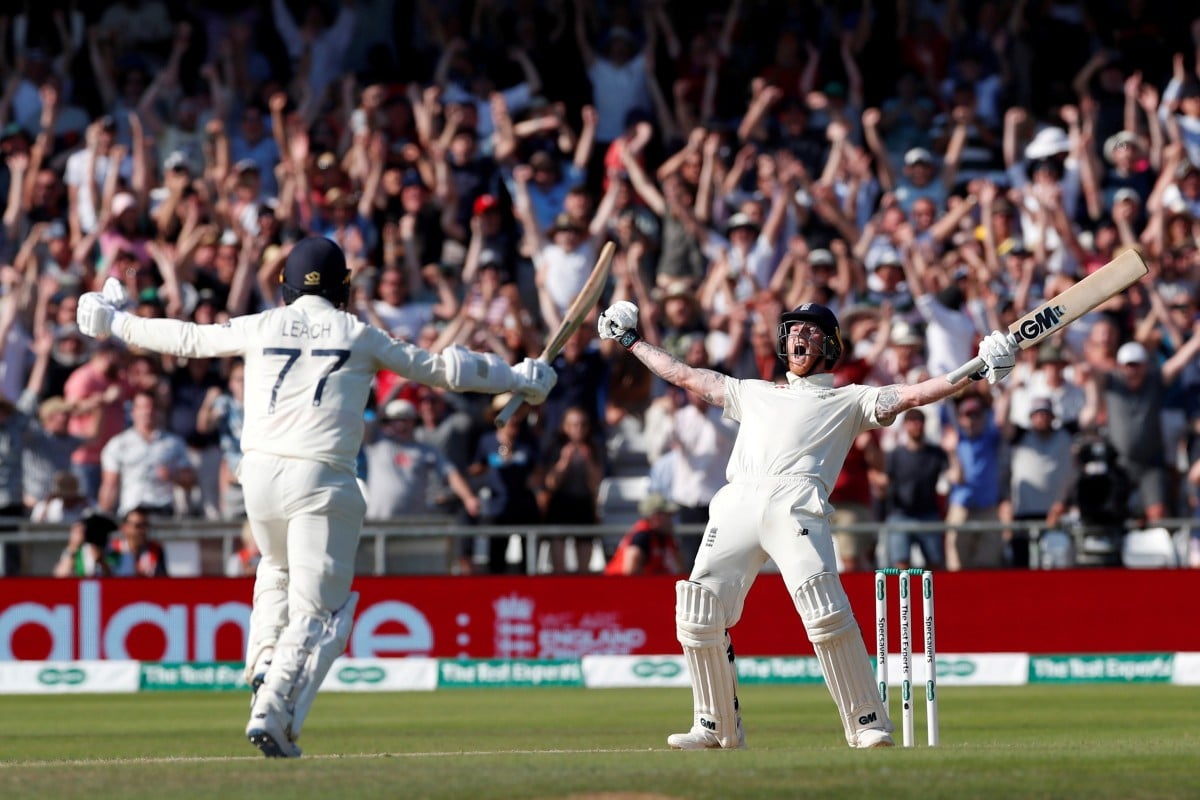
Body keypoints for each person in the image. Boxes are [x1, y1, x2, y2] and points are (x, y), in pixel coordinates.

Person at [74, 237, 556, 758]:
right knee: (321, 611)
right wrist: (520, 377)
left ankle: (262, 666)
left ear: (284, 287)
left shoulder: (262, 324)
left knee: (275, 568)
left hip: (258, 479)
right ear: (344, 287)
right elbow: (445, 369)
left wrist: (113, 321)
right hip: (321, 478)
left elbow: (188, 338)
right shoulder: (358, 333)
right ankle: (273, 705)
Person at [596, 298, 1017, 750]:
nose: (799, 336)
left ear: (831, 345)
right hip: (737, 499)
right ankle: (715, 725)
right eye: (794, 329)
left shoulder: (849, 399)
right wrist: (629, 339)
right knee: (697, 612)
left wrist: (977, 367)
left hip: (797, 503)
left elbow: (915, 393)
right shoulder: (752, 392)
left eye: (811, 331)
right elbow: (684, 375)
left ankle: (867, 722)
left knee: (825, 608)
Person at [604, 493, 683, 576]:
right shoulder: (641, 536)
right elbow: (630, 571)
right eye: (668, 515)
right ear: (655, 516)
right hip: (616, 584)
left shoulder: (665, 536)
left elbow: (680, 568)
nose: (671, 520)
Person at [52, 508, 118, 578]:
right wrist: (73, 546)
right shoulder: (77, 552)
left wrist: (101, 561)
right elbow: (60, 576)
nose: (94, 532)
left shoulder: (114, 551)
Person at [104, 507, 167, 577]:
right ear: (124, 528)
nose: (142, 531)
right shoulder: (113, 549)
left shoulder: (156, 550)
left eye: (145, 525)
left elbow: (163, 581)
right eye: (138, 526)